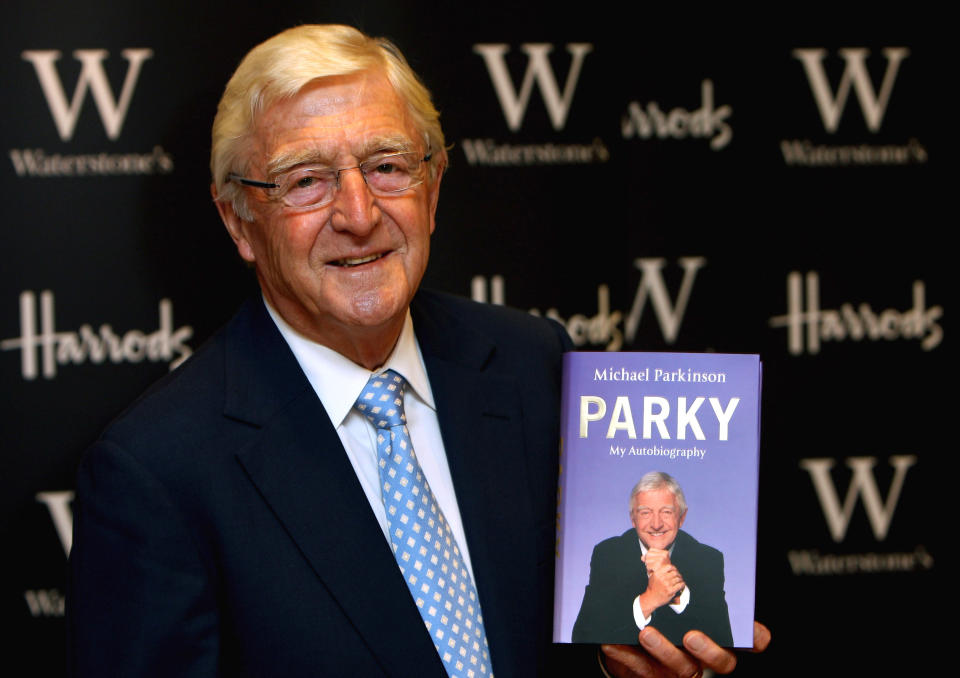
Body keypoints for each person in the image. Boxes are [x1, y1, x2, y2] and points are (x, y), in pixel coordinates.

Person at [66, 24, 767, 678]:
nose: (359, 214)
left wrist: (627, 665)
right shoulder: (156, 474)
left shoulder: (534, 366)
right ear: (239, 221)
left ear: (432, 191)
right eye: (306, 179)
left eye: (386, 166)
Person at [572, 472, 733, 648]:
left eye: (666, 512)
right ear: (633, 518)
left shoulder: (708, 559)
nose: (656, 524)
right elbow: (583, 636)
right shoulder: (607, 554)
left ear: (682, 517)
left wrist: (677, 593)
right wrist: (648, 600)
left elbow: (722, 641)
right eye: (645, 513)